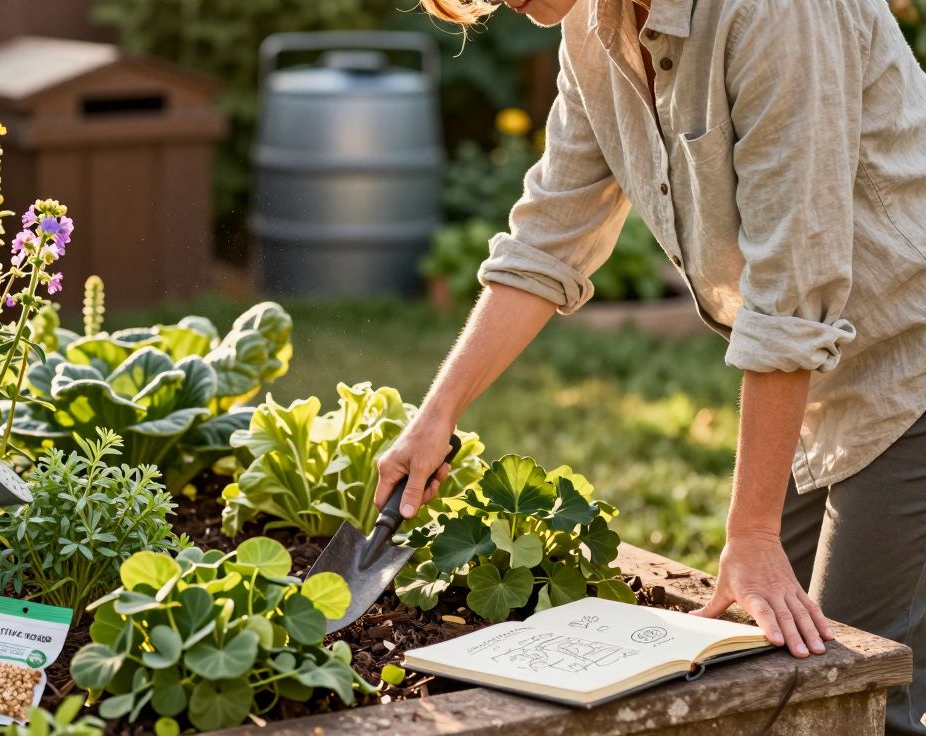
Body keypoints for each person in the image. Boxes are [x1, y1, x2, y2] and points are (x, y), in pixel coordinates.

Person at [374, 0, 926, 731]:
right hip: (818, 378)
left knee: (852, 694)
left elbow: (794, 287)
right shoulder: (593, 25)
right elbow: (550, 237)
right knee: (773, 674)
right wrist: (435, 415)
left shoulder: (775, 12)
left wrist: (752, 532)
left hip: (908, 362)